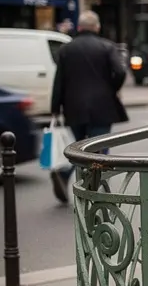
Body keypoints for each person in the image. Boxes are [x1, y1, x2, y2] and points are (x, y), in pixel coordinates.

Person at [49, 11, 129, 203]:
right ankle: (95, 188)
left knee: (77, 148)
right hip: (102, 106)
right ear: (97, 27)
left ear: (79, 27)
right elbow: (120, 72)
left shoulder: (66, 49)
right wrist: (111, 89)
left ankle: (64, 174)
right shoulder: (107, 46)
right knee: (99, 149)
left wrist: (55, 108)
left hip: (73, 107)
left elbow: (59, 81)